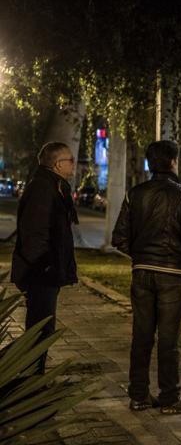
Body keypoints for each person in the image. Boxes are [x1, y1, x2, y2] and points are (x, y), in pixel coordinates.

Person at [112, 140, 181, 414]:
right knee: (168, 339)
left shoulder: (135, 194)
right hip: (172, 275)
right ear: (174, 162)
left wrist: (141, 256)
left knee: (141, 335)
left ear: (150, 163)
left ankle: (139, 395)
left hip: (142, 273)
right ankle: (170, 397)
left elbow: (119, 238)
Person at [12, 142, 78, 374]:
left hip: (45, 271)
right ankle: (31, 378)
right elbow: (35, 233)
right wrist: (46, 267)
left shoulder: (52, 186)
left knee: (43, 327)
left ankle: (34, 374)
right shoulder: (43, 188)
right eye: (71, 160)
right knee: (40, 329)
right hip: (40, 273)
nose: (74, 164)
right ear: (58, 164)